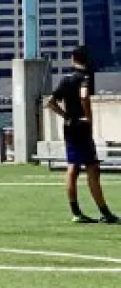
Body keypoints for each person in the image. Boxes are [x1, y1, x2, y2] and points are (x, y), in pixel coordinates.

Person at [47, 45, 116, 224]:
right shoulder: (84, 78)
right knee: (92, 168)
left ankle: (76, 211)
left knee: (73, 168)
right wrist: (88, 118)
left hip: (69, 127)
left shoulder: (66, 79)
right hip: (81, 127)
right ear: (87, 59)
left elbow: (51, 102)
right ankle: (105, 212)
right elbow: (84, 97)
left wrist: (65, 115)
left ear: (72, 58)